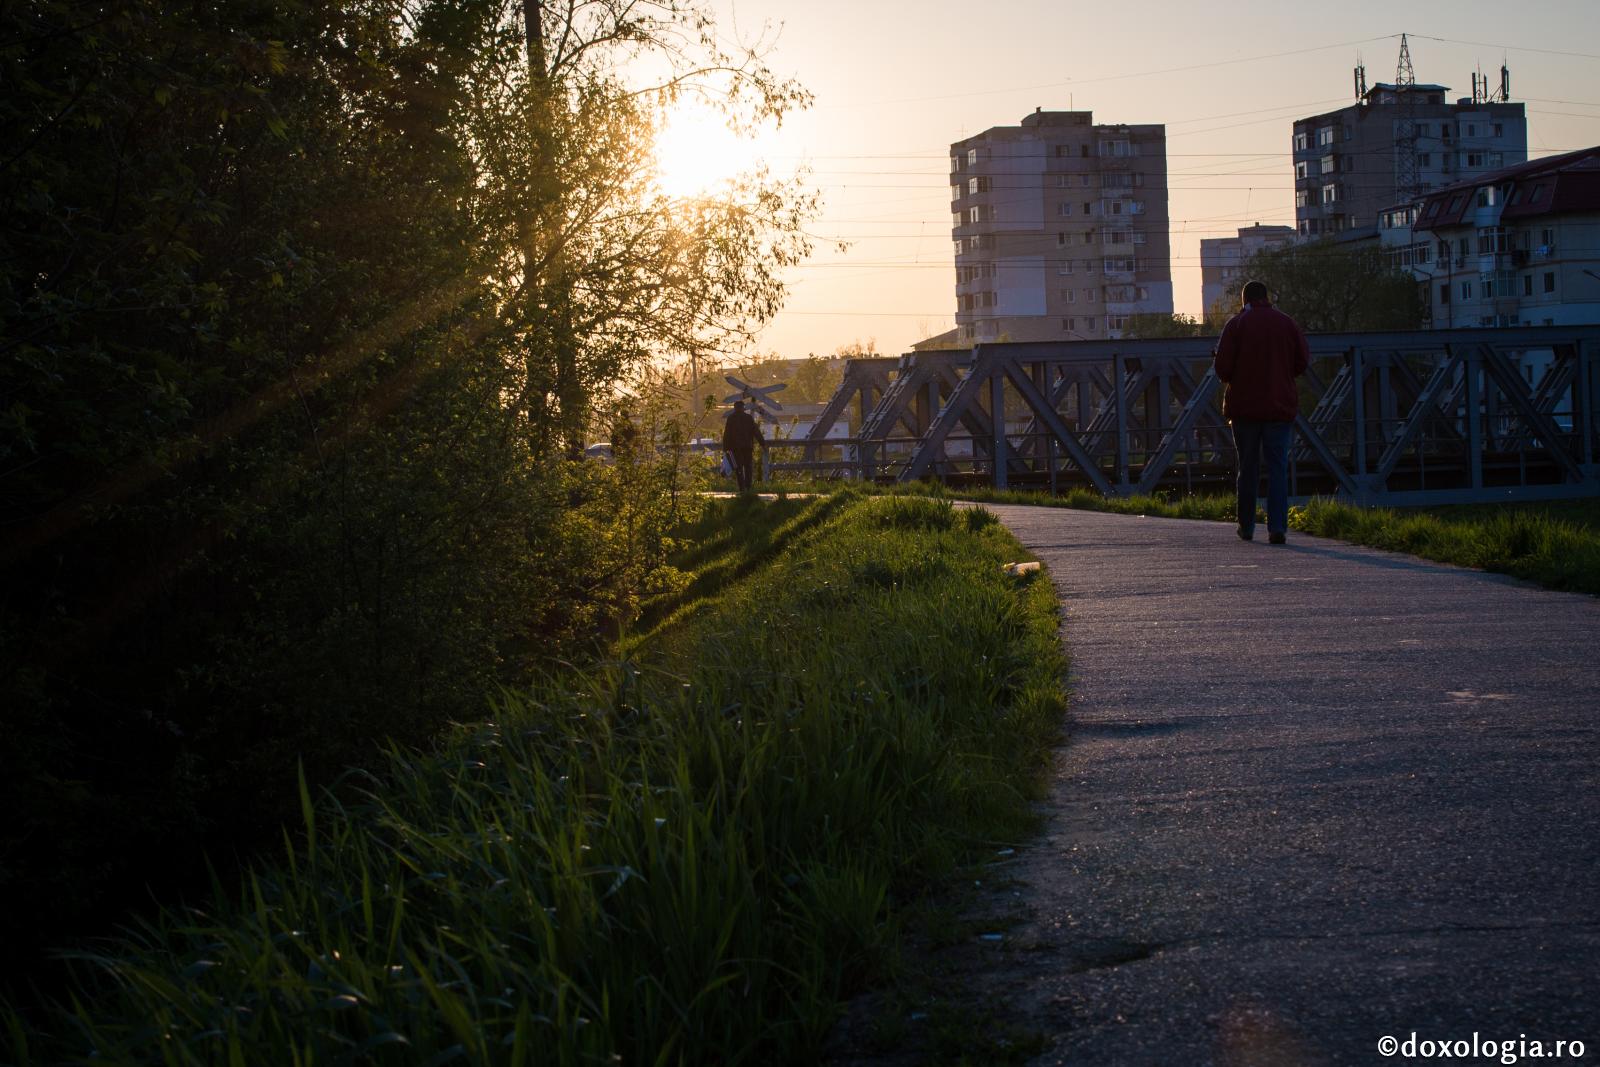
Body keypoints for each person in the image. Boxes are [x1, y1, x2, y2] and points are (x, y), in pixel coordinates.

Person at [1213, 280, 1310, 545]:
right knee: (1277, 467)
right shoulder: (1287, 323)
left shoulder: (1236, 325)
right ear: (1266, 297)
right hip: (1279, 406)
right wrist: (1282, 374)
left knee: (1248, 467)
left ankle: (1246, 526)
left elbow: (1222, 369)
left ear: (1244, 300)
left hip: (1244, 409)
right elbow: (1302, 361)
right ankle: (1277, 527)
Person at [721, 399, 765, 493]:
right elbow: (756, 431)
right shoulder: (748, 418)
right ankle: (748, 487)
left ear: (734, 408)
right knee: (748, 467)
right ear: (743, 408)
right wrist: (762, 443)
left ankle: (741, 488)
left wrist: (725, 448)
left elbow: (727, 434)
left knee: (738, 467)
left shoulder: (731, 418)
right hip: (747, 447)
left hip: (735, 448)